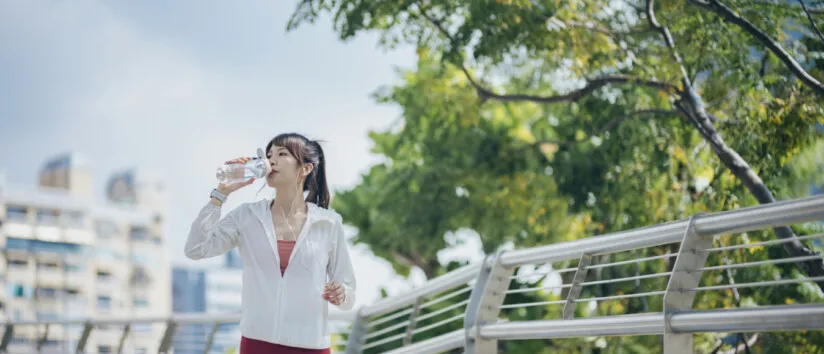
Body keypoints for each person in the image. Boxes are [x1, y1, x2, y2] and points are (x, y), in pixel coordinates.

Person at [184, 133, 356, 354]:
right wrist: (220, 193)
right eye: (268, 154)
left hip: (311, 347)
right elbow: (196, 249)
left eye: (282, 154)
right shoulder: (246, 216)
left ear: (305, 168)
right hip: (256, 345)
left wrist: (341, 293)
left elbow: (348, 293)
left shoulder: (328, 223)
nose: (271, 160)